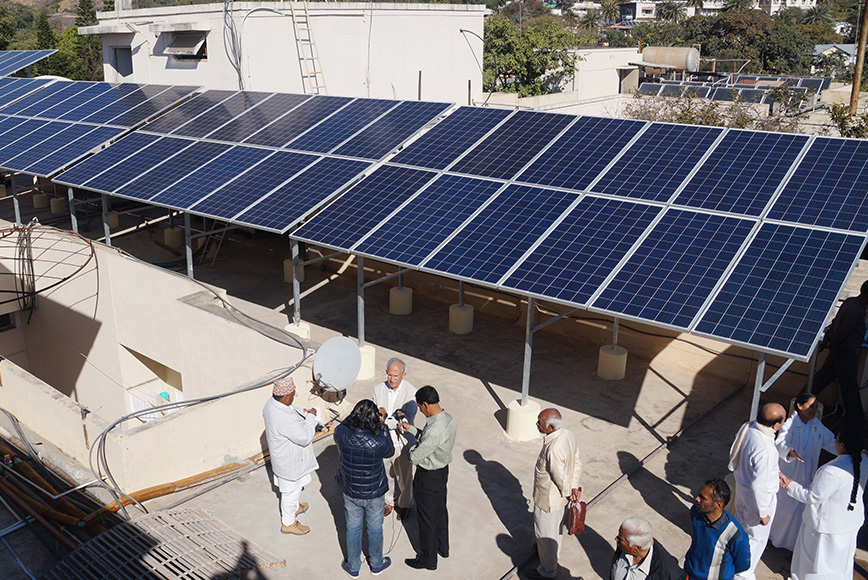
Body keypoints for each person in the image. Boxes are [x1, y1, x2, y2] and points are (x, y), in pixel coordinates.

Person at [781, 428, 868, 580]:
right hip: (850, 522)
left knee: (816, 565)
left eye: (837, 440)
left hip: (826, 527)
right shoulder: (864, 461)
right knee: (841, 564)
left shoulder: (831, 471)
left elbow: (813, 497)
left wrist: (790, 485)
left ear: (842, 446)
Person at [334, 399, 395, 578]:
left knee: (353, 528)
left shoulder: (340, 434)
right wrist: (382, 423)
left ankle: (353, 567)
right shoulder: (379, 441)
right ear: (373, 420)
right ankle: (376, 564)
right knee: (375, 528)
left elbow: (346, 422)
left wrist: (359, 413)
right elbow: (390, 451)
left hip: (350, 490)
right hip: (374, 493)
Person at [769, 393, 837, 551]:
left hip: (807, 476)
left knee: (799, 512)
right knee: (784, 510)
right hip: (790, 475)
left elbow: (831, 442)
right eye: (811, 406)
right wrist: (790, 452)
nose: (814, 410)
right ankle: (774, 540)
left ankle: (791, 545)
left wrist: (851, 452)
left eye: (815, 407)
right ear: (799, 406)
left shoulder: (816, 425)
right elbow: (781, 442)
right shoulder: (790, 424)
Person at [402, 386, 457, 571]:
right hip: (442, 472)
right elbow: (430, 441)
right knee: (440, 510)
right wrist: (412, 429)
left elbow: (415, 457)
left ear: (425, 404)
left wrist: (409, 448)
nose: (420, 411)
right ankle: (443, 547)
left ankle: (427, 559)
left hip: (428, 477)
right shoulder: (448, 420)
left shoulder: (434, 430)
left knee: (427, 519)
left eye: (420, 407)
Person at [728, 402, 785, 580]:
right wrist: (763, 513)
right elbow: (759, 485)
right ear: (776, 425)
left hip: (743, 489)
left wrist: (776, 472)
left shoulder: (750, 426)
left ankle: (734, 562)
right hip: (758, 499)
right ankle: (743, 573)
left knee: (742, 529)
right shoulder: (766, 450)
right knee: (756, 538)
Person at [527, 408, 582, 580]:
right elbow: (577, 461)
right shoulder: (568, 435)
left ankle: (547, 571)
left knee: (545, 534)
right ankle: (550, 556)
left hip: (548, 501)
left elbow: (559, 477)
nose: (537, 424)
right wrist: (573, 487)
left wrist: (568, 490)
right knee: (556, 530)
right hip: (559, 500)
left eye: (540, 423)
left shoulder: (554, 449)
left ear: (550, 427)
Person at [807, 280, 868, 432]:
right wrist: (830, 343)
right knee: (850, 390)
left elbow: (835, 323)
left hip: (838, 350)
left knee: (823, 379)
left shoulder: (851, 302)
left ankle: (801, 401)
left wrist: (829, 340)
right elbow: (844, 331)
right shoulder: (858, 310)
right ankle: (857, 426)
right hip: (844, 352)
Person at [262, 376, 319, 535]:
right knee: (289, 492)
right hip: (290, 463)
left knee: (295, 488)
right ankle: (288, 522)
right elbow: (304, 437)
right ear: (285, 396)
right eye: (293, 395)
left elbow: (291, 410)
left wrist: (303, 413)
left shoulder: (272, 403)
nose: (294, 397)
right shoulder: (284, 419)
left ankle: (294, 508)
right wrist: (312, 418)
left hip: (287, 459)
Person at [372, 357, 417, 520]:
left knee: (404, 477)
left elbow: (406, 420)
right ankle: (389, 501)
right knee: (385, 474)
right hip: (384, 441)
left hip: (402, 443)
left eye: (396, 376)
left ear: (403, 375)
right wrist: (386, 419)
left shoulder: (411, 393)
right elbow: (374, 415)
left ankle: (406, 504)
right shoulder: (378, 389)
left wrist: (384, 419)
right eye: (389, 375)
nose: (392, 379)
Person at [683, 478, 751, 580]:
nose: (697, 499)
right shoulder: (696, 512)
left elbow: (742, 564)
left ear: (718, 505)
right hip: (690, 574)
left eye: (703, 498)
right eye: (698, 494)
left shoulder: (735, 534)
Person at [609, 516, 686, 580]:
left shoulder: (670, 573)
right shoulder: (624, 547)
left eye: (620, 539)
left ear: (635, 548)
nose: (616, 539)